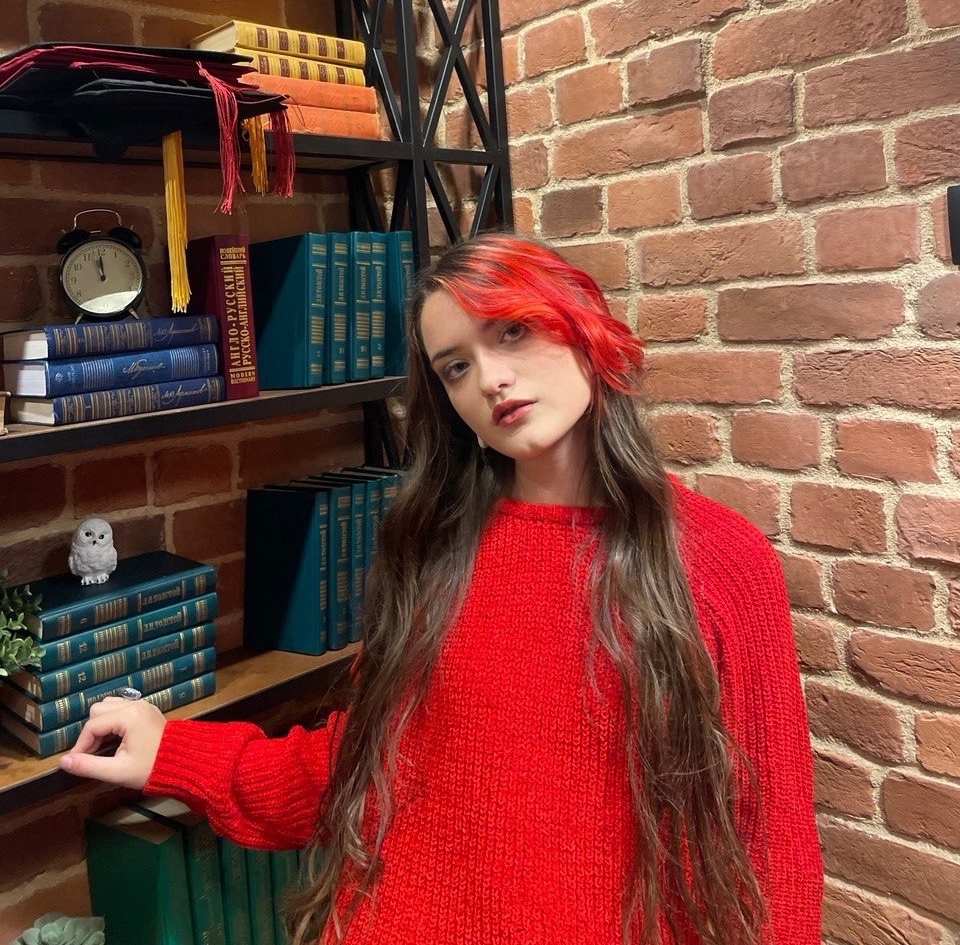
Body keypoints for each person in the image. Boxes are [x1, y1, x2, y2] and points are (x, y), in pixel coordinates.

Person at [61, 233, 823, 945]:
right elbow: (358, 768)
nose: (490, 379)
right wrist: (173, 751)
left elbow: (772, 848)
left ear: (582, 325)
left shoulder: (720, 560)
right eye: (455, 367)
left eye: (512, 332)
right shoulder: (436, 549)